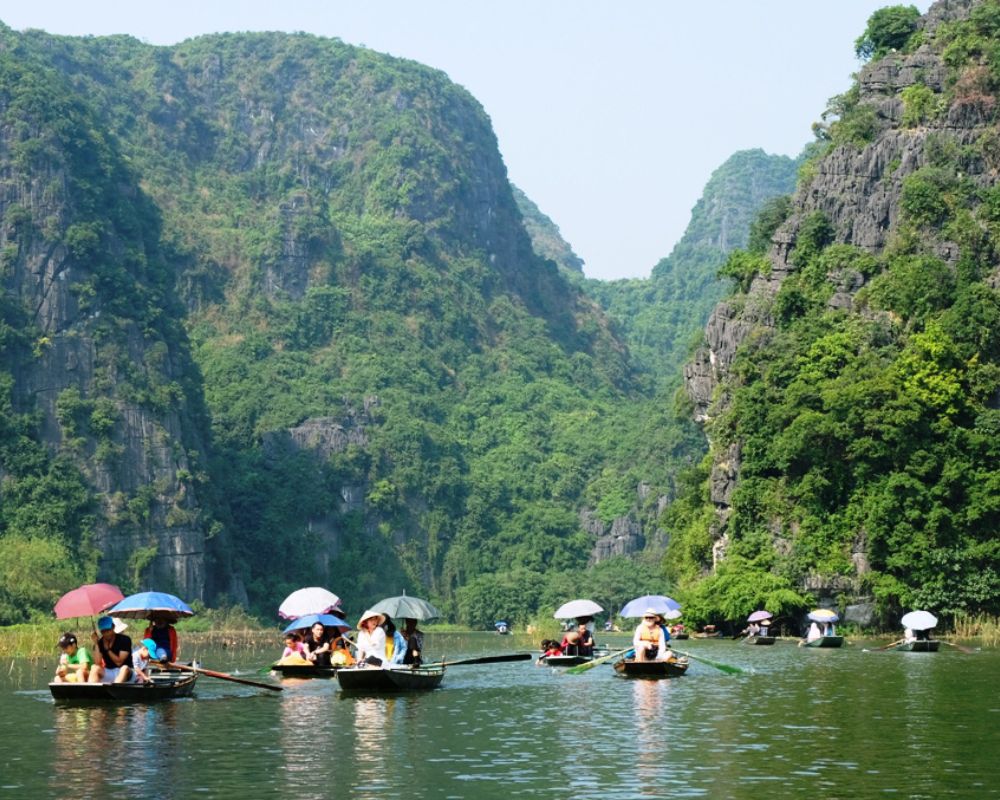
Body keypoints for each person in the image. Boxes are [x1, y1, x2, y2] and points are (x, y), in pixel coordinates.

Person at [90, 615, 133, 684]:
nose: (106, 634)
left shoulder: (125, 640)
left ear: (113, 627)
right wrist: (96, 643)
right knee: (94, 668)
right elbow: (97, 662)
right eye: (103, 632)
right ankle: (90, 692)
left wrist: (108, 649)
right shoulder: (101, 642)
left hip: (125, 671)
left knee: (124, 668)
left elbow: (119, 663)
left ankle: (114, 690)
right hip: (109, 671)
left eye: (108, 630)